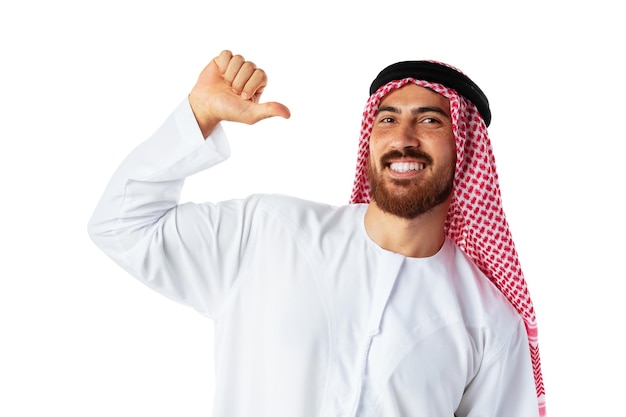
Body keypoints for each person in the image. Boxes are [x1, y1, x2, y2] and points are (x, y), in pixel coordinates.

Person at [88, 50, 546, 417]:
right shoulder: (267, 234)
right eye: (387, 118)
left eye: (430, 120)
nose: (403, 137)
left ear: (465, 148)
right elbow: (120, 225)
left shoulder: (490, 324)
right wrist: (198, 116)